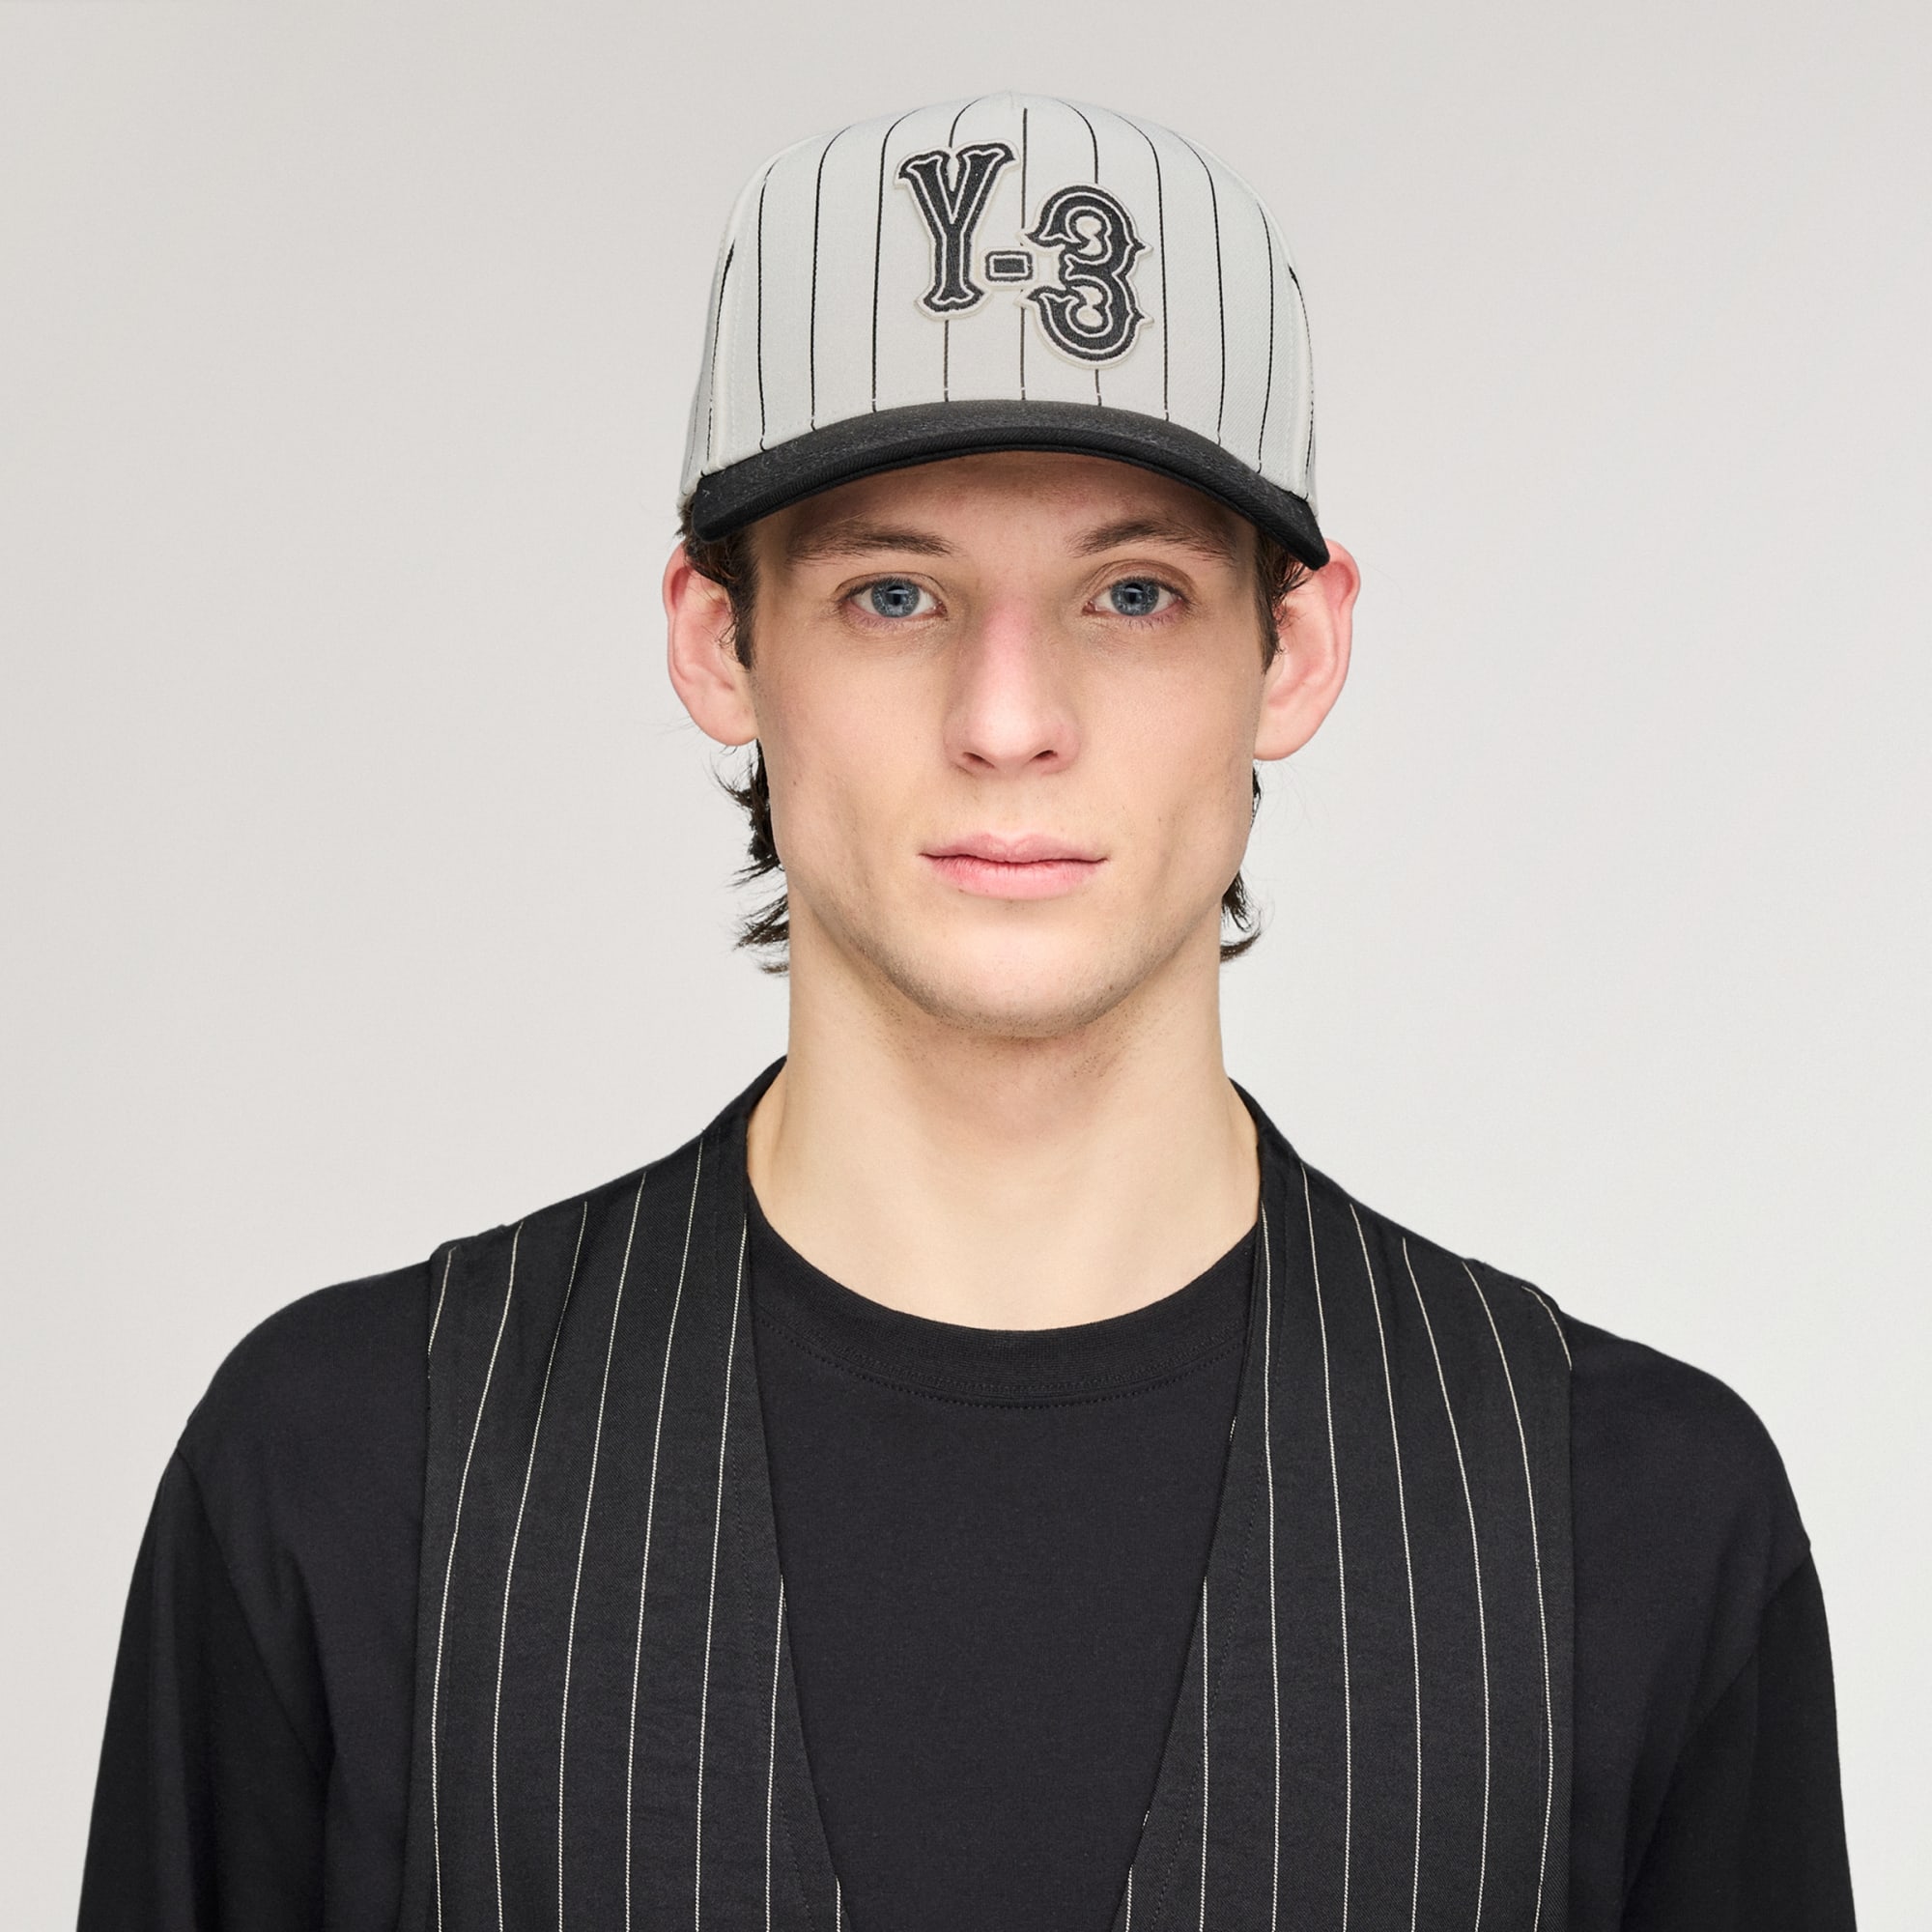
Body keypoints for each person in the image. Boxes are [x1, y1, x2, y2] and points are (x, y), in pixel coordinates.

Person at [78, 93, 1854, 1932]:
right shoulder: (349, 1479)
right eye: (894, 593)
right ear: (719, 640)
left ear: (1297, 648)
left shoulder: (1628, 1525)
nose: (1009, 720)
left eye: (1134, 593)